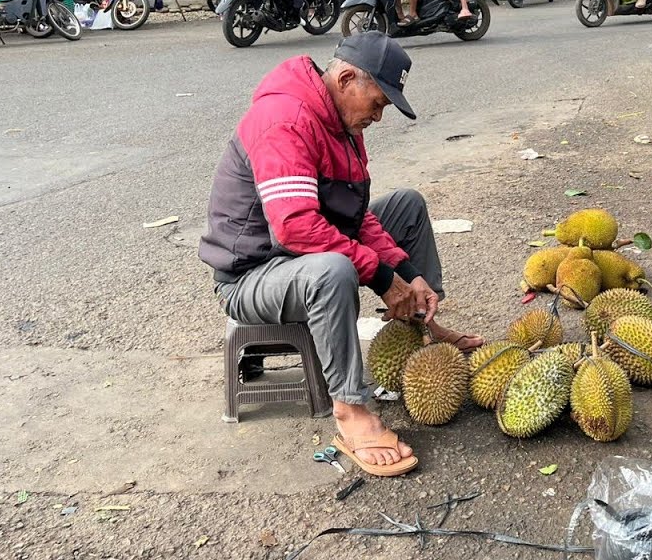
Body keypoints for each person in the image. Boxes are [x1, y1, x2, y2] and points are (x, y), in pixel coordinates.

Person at [199, 33, 483, 477]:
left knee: (406, 205)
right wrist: (383, 277)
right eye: (377, 102)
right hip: (252, 275)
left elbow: (355, 218)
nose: (378, 115)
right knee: (334, 268)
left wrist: (406, 274)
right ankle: (350, 409)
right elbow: (295, 228)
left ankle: (425, 322)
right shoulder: (286, 118)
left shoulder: (342, 123)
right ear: (347, 78)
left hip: (297, 257)